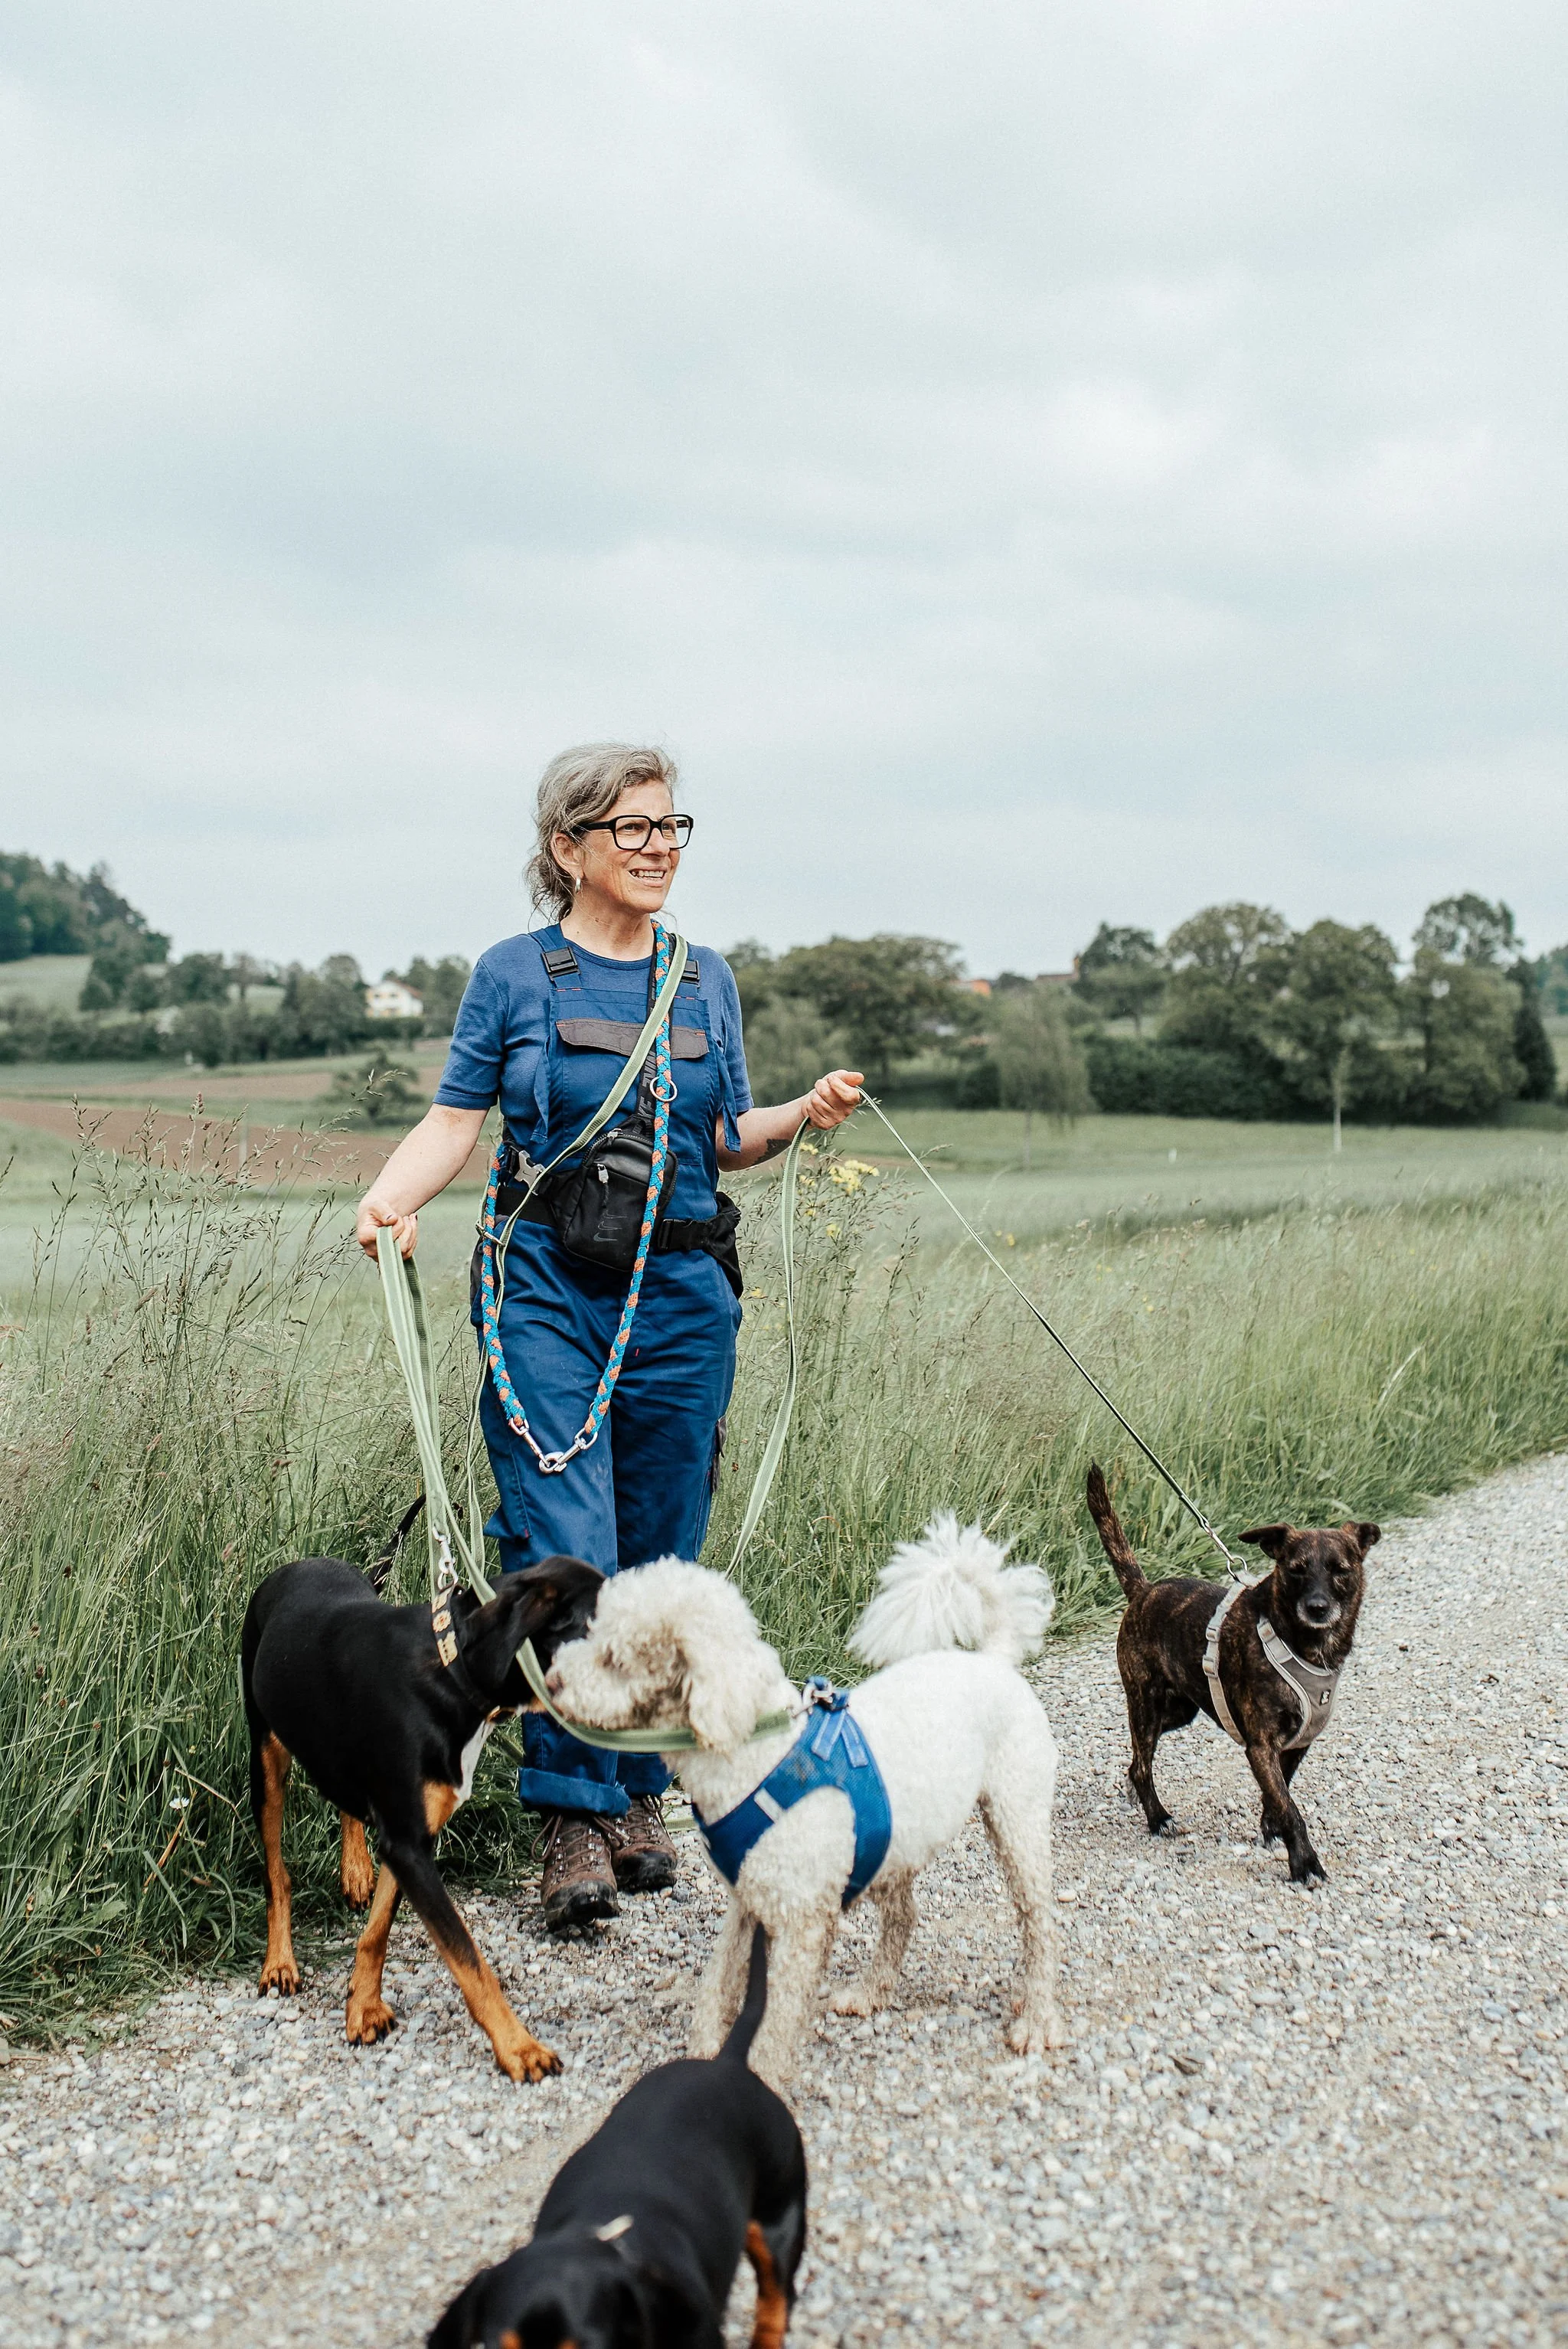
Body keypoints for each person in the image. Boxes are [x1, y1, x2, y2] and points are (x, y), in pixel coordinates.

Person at [356, 743, 863, 1932]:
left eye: (670, 826)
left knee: (658, 1553)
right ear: (566, 848)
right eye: (630, 829)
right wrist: (390, 1200)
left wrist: (806, 1112)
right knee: (565, 1543)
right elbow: (454, 1120)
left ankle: (639, 1793)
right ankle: (572, 1818)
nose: (656, 848)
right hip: (543, 1286)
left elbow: (728, 1133)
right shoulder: (511, 977)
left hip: (684, 1296)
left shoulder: (706, 980)